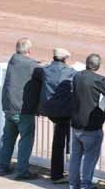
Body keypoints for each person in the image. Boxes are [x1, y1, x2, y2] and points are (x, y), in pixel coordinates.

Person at [69, 54, 105, 189]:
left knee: (75, 157)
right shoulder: (98, 80)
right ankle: (86, 184)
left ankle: (73, 183)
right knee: (89, 158)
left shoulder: (77, 76)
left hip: (76, 124)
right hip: (90, 126)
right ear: (97, 66)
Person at [0, 38, 41, 180]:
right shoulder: (31, 64)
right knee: (26, 140)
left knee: (8, 138)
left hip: (9, 106)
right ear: (29, 51)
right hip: (23, 109)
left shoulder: (13, 60)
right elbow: (40, 71)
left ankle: (2, 166)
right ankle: (22, 171)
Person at [35, 47, 76, 184]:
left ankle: (57, 173)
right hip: (64, 112)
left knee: (59, 140)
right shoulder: (70, 72)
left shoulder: (45, 70)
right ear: (65, 59)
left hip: (49, 110)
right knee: (68, 140)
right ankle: (63, 172)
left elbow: (40, 70)